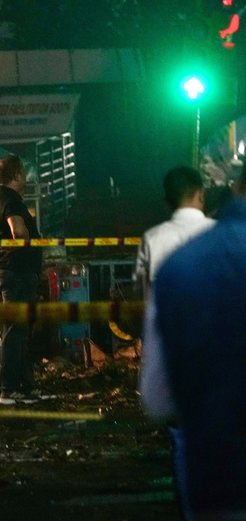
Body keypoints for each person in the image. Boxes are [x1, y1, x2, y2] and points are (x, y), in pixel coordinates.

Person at [144, 168, 246, 518]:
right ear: (200, 193)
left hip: (220, 483)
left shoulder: (180, 265)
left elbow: (158, 399)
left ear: (237, 187)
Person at [136, 167, 215, 517]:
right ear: (201, 193)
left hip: (174, 354)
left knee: (182, 441)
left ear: (167, 201)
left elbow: (147, 305)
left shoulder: (153, 239)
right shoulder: (221, 235)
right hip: (218, 354)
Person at [0, 154, 51, 405]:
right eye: (24, 174)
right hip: (16, 273)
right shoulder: (10, 200)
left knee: (19, 332)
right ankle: (9, 389)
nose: (26, 179)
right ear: (17, 175)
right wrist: (31, 250)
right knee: (15, 332)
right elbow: (18, 232)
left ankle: (25, 388)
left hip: (8, 271)